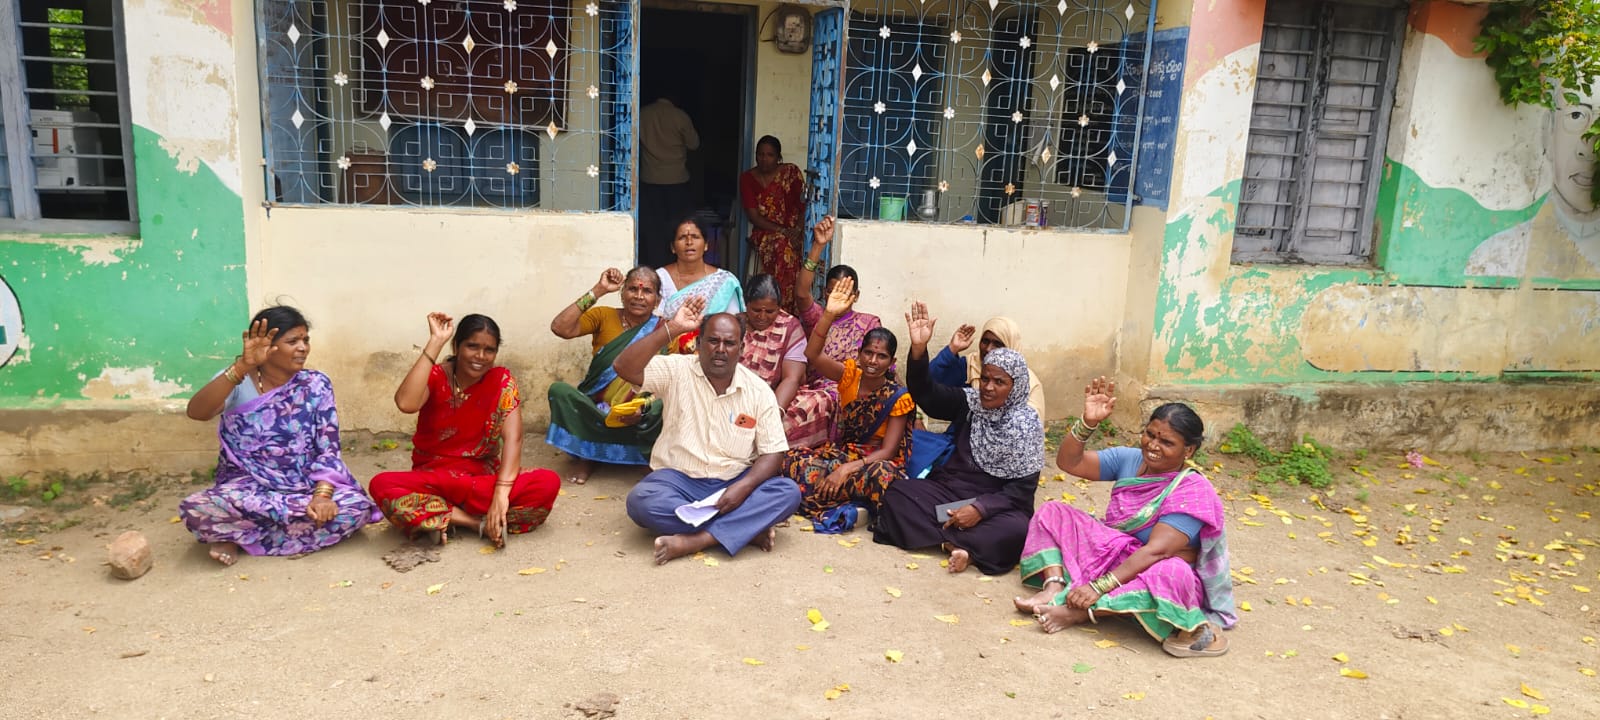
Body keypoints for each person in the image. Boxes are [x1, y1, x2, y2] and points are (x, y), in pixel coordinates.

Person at [1013, 378, 1236, 657]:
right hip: (1113, 556)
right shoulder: (1129, 459)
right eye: (1150, 435)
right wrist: (1088, 423)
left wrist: (1098, 587)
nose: (1153, 445)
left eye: (1166, 442)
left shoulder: (1192, 490)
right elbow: (1069, 463)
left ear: (1188, 450)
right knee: (1053, 512)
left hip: (1152, 569)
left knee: (1173, 573)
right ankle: (1053, 586)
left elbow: (1157, 552)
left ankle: (1081, 612)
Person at [180, 306, 380, 566]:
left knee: (356, 507)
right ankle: (261, 529)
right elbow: (197, 412)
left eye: (305, 340)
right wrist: (241, 367)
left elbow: (328, 447)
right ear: (268, 347)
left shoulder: (316, 384)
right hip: (249, 487)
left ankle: (237, 533)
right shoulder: (237, 379)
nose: (303, 348)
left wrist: (322, 496)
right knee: (198, 507)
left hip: (304, 486)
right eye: (292, 341)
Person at [613, 295, 802, 565]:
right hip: (678, 481)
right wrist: (672, 329)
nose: (720, 349)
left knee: (787, 493)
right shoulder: (676, 370)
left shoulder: (759, 391)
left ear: (741, 348)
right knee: (641, 502)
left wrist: (744, 487)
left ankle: (697, 540)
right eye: (713, 341)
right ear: (699, 344)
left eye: (729, 343)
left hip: (734, 482)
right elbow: (623, 367)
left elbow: (773, 452)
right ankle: (742, 530)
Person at [871, 301, 1044, 575]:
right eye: (985, 379)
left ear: (1016, 387)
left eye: (999, 382)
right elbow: (927, 394)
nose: (988, 388)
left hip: (995, 505)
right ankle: (958, 545)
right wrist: (918, 349)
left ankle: (955, 540)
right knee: (899, 495)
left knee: (1016, 529)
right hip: (950, 495)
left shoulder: (1026, 425)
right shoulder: (971, 401)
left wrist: (980, 509)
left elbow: (1020, 493)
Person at [369, 313, 560, 547]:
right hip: (436, 481)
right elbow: (406, 403)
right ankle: (475, 522)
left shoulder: (501, 381)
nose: (480, 356)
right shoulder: (436, 376)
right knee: (381, 485)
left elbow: (514, 438)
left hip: (480, 481)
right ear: (456, 346)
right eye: (472, 346)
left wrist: (501, 494)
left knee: (547, 483)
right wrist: (435, 341)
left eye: (489, 350)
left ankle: (441, 516)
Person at [785, 276, 912, 526]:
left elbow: (888, 452)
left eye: (881, 356)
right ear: (859, 354)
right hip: (845, 455)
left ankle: (842, 500)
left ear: (892, 362)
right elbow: (812, 354)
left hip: (872, 464)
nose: (873, 361)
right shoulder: (850, 375)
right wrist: (829, 315)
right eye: (868, 353)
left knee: (883, 475)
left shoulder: (898, 397)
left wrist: (845, 470)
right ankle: (849, 502)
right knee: (793, 459)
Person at [546, 266, 665, 484]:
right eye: (632, 289)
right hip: (596, 411)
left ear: (657, 300)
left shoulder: (665, 329)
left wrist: (643, 408)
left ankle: (645, 458)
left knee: (664, 404)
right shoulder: (604, 316)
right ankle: (587, 456)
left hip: (639, 414)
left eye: (647, 291)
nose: (639, 296)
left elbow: (674, 381)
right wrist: (598, 290)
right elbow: (560, 328)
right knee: (559, 391)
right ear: (622, 293)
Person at [738, 273, 833, 448]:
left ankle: (764, 440)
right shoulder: (734, 324)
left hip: (774, 397)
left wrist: (772, 415)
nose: (762, 317)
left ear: (779, 307)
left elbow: (792, 378)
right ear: (746, 304)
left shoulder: (789, 326)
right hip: (736, 396)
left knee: (817, 401)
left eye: (770, 311)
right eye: (756, 310)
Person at [930, 316, 1047, 427]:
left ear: (1010, 346)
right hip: (960, 437)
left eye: (998, 344)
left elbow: (1029, 429)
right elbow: (928, 385)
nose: (988, 349)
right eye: (985, 341)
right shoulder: (972, 364)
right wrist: (952, 349)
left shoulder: (1028, 383)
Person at [656, 215, 745, 352]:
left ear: (706, 245)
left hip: (714, 354)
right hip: (666, 353)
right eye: (682, 237)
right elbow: (651, 324)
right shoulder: (659, 278)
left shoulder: (724, 282)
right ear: (673, 247)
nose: (689, 242)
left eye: (695, 237)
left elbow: (733, 325)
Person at [740, 135, 806, 309]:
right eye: (760, 154)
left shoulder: (790, 173)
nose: (764, 159)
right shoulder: (747, 178)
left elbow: (804, 206)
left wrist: (797, 230)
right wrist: (783, 232)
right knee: (782, 246)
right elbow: (754, 216)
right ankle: (781, 306)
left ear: (778, 157)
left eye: (770, 155)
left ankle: (791, 305)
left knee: (796, 247)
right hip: (765, 231)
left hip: (794, 230)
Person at [638, 92, 700, 269]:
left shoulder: (642, 114)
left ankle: (655, 267)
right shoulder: (680, 116)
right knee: (678, 227)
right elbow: (694, 144)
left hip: (650, 180)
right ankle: (675, 266)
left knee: (653, 229)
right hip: (676, 181)